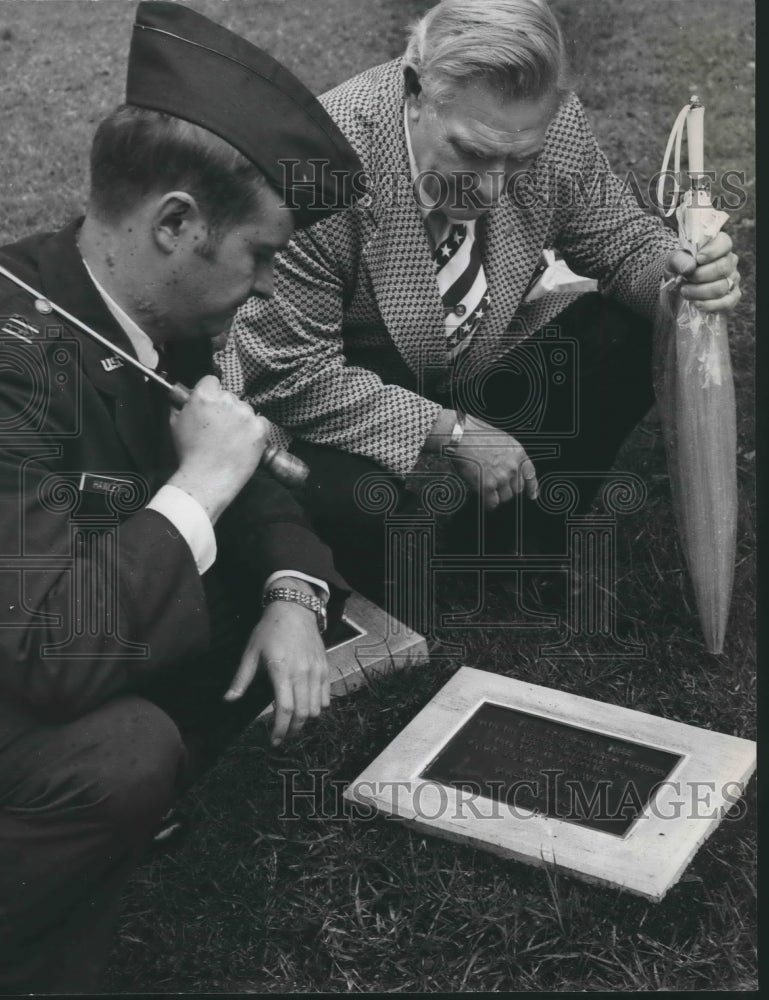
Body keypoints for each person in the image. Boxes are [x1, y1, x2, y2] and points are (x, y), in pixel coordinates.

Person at [0, 2, 361, 992]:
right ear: (174, 224)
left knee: (300, 552)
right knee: (127, 750)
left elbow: (240, 480)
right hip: (29, 663)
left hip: (62, 629)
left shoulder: (138, 304)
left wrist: (294, 589)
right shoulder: (13, 356)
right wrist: (199, 478)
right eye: (263, 256)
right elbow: (53, 653)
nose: (269, 286)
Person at [219, 0, 742, 607]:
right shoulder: (320, 166)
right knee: (357, 519)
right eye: (472, 152)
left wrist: (680, 278)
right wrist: (452, 432)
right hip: (341, 385)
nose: (493, 188)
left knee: (622, 332)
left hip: (472, 349)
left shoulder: (549, 123)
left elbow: (622, 241)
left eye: (519, 159)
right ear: (416, 90)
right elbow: (286, 373)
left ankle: (507, 545)